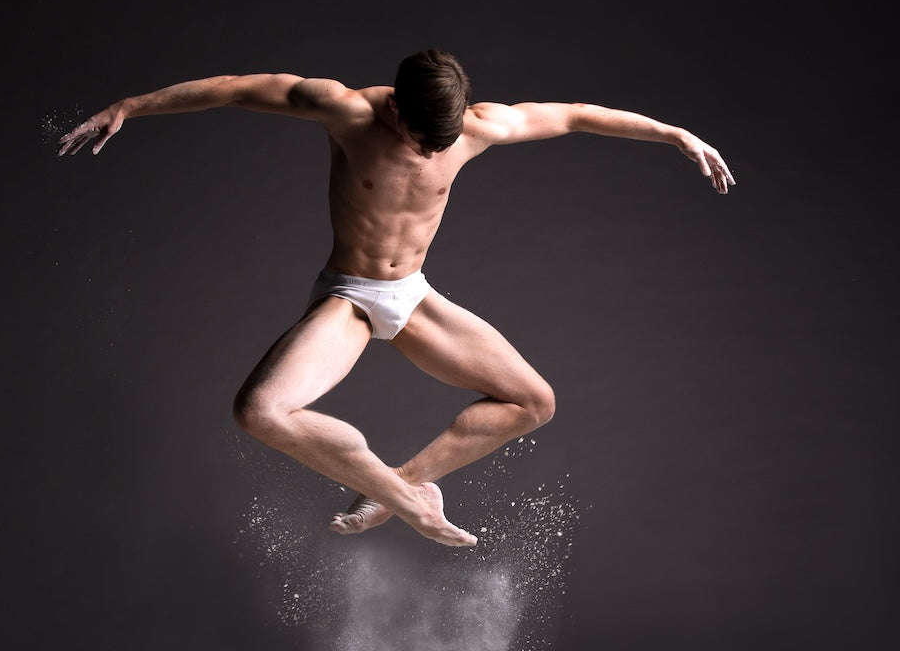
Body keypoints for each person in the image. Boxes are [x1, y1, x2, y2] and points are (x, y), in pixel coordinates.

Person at [59, 50, 734, 548]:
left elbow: (576, 116)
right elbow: (236, 88)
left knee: (534, 402)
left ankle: (404, 487)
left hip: (411, 295)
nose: (426, 153)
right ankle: (405, 501)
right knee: (261, 412)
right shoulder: (345, 110)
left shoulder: (476, 127)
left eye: (440, 143)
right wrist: (129, 106)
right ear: (395, 109)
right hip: (350, 295)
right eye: (418, 138)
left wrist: (675, 133)